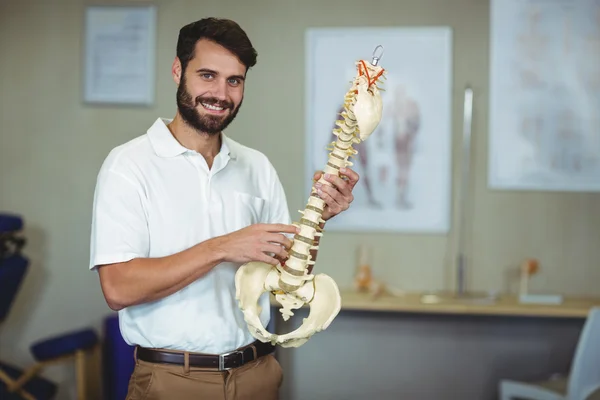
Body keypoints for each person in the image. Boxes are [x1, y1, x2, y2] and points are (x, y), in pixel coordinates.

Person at [89, 17, 360, 400]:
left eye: (234, 80)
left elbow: (287, 282)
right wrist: (221, 248)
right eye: (207, 75)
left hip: (258, 374)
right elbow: (117, 288)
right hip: (172, 381)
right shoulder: (129, 165)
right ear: (177, 71)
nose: (221, 92)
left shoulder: (257, 166)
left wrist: (320, 215)